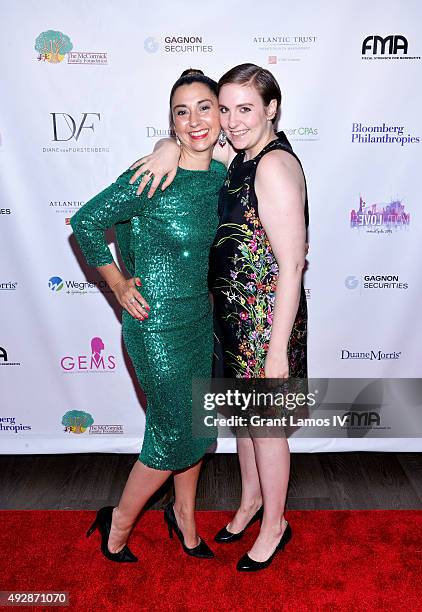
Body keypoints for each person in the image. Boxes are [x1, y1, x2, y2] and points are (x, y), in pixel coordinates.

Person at [129, 63, 309, 572]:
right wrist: (168, 145)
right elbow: (194, 148)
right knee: (248, 425)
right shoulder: (245, 156)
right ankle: (250, 502)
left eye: (244, 109)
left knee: (267, 429)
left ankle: (275, 524)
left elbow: (292, 264)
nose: (230, 121)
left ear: (272, 109)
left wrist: (276, 350)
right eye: (225, 109)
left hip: (265, 322)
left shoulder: (273, 166)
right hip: (234, 319)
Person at [71, 70, 226, 563]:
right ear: (172, 122)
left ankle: (184, 518)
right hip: (154, 323)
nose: (194, 120)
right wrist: (116, 283)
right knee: (173, 431)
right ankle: (115, 521)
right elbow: (86, 221)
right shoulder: (154, 174)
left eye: (205, 107)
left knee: (197, 428)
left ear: (220, 115)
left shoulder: (223, 174)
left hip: (200, 322)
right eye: (181, 112)